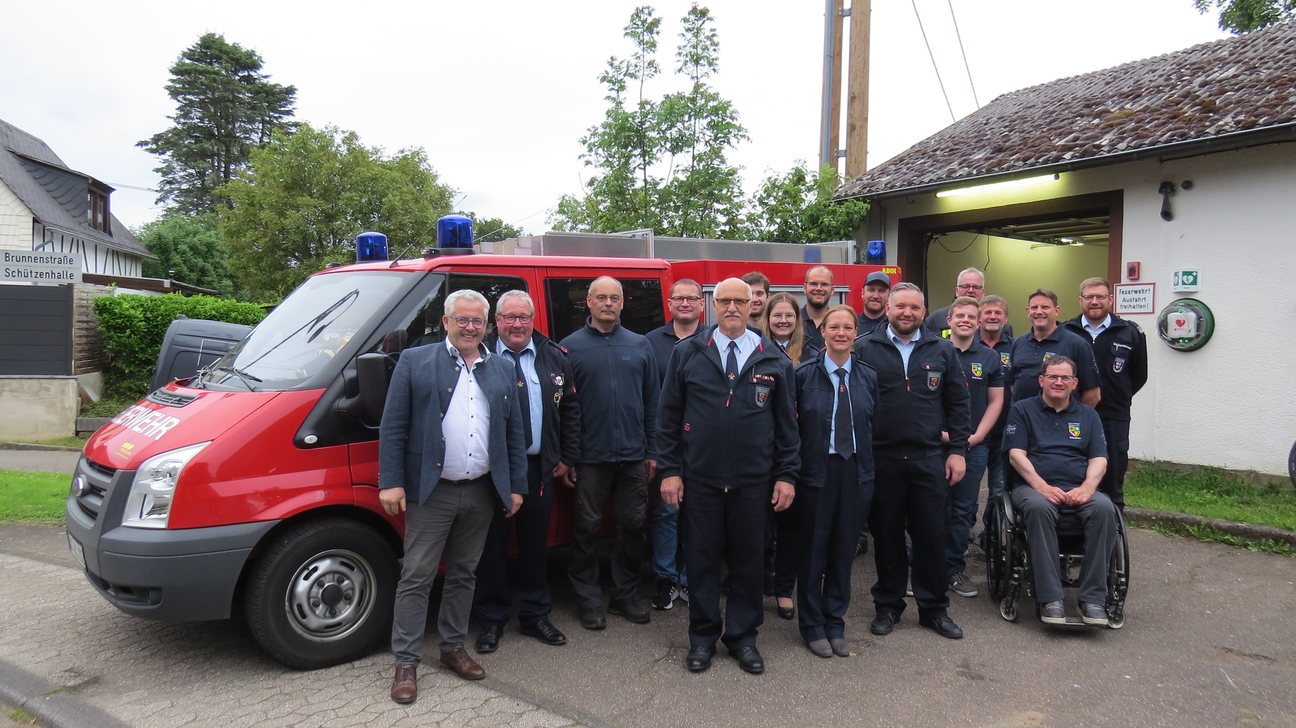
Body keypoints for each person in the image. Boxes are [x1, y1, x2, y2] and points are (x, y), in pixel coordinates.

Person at [380, 289, 528, 703]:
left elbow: (513, 432)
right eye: (461, 320)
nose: (469, 328)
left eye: (477, 321)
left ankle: (451, 648)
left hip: (481, 490)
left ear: (487, 325)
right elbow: (393, 426)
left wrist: (515, 485)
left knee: (465, 573)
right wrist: (390, 480)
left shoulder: (500, 367)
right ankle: (406, 663)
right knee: (417, 576)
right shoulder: (415, 361)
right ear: (445, 322)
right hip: (432, 492)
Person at [658, 278, 799, 675]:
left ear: (755, 305)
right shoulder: (688, 353)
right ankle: (702, 638)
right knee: (701, 562)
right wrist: (670, 471)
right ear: (713, 305)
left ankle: (743, 638)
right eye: (725, 301)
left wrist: (787, 476)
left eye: (742, 300)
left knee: (749, 563)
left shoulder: (773, 358)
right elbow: (667, 419)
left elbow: (788, 427)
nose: (733, 307)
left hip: (753, 483)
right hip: (700, 480)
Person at [854, 282, 971, 640]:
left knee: (930, 537)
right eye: (900, 306)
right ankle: (888, 606)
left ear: (924, 311)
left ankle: (933, 609)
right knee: (887, 537)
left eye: (914, 307)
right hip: (882, 458)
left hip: (928, 458)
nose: (907, 313)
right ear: (887, 308)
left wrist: (958, 450)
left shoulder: (942, 349)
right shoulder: (864, 348)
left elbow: (957, 403)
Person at [472, 290, 580, 655]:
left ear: (533, 320)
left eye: (523, 317)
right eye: (509, 317)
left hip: (539, 467)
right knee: (493, 546)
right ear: (497, 321)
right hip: (492, 469)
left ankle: (535, 615)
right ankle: (491, 619)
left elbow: (571, 409)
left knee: (536, 546)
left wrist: (566, 455)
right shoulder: (479, 356)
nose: (517, 324)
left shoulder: (553, 355)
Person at [560, 276, 660, 629]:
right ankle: (588, 600)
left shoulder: (640, 345)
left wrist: (652, 450)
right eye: (600, 297)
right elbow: (564, 409)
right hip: (590, 459)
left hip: (634, 456)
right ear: (588, 302)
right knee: (586, 530)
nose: (607, 303)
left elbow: (653, 402)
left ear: (622, 303)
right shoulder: (568, 348)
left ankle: (624, 596)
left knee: (633, 528)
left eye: (614, 298)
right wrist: (569, 455)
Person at [1005, 355, 1117, 626]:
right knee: (1039, 507)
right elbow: (1016, 455)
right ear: (1041, 380)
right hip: (1033, 487)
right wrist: (1042, 486)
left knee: (1104, 508)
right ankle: (1050, 598)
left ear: (1074, 383)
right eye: (1053, 377)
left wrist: (1088, 486)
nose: (1058, 382)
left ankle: (1092, 599)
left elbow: (1099, 458)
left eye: (1065, 377)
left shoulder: (1088, 415)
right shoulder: (1022, 410)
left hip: (1078, 487)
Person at [793, 305, 877, 657]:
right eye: (833, 327)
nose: (840, 333)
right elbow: (790, 429)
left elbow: (875, 426)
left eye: (847, 327)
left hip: (856, 473)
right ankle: (812, 625)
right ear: (822, 331)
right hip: (816, 471)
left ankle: (835, 621)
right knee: (814, 551)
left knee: (844, 551)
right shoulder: (802, 375)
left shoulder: (869, 376)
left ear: (856, 332)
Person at [644, 279, 704, 611]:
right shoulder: (650, 342)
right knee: (666, 512)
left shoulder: (714, 340)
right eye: (678, 298)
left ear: (701, 304)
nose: (685, 303)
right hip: (667, 443)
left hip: (704, 445)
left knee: (699, 515)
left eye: (691, 298)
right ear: (669, 304)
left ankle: (692, 578)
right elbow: (647, 396)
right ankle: (666, 579)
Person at [1062, 278, 1148, 511]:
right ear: (1081, 300)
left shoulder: (1130, 333)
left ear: (1110, 299)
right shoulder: (1066, 331)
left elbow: (1139, 376)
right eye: (1089, 297)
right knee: (1073, 471)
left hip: (1113, 417)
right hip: (1072, 415)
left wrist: (1117, 396)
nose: (1095, 302)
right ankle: (1075, 529)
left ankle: (1111, 539)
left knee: (1112, 476)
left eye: (1100, 296)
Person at [944, 297, 1004, 598]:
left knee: (963, 509)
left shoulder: (990, 358)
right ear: (949, 320)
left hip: (974, 446)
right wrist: (942, 435)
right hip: (936, 444)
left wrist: (978, 436)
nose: (965, 320)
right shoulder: (936, 351)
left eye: (971, 316)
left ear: (978, 323)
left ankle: (953, 569)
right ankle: (923, 568)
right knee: (928, 509)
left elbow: (996, 401)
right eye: (960, 315)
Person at [760, 291, 808, 621]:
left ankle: (783, 590)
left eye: (789, 316)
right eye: (776, 315)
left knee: (790, 527)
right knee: (759, 528)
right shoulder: (755, 352)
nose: (782, 320)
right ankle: (757, 583)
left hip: (798, 452)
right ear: (767, 318)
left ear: (797, 320)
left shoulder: (813, 353)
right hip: (761, 453)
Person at [1008, 289, 1101, 408]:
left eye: (1045, 307)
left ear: (1057, 311)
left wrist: (1072, 418)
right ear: (1028, 311)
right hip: (1023, 421)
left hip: (1060, 422)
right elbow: (1013, 386)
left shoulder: (1077, 344)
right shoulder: (1018, 343)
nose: (1039, 312)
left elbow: (1093, 395)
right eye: (1034, 307)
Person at [978, 294, 1014, 542]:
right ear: (980, 317)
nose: (992, 317)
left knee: (999, 489)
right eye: (988, 312)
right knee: (967, 491)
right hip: (973, 433)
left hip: (1005, 432)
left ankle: (990, 536)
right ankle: (962, 537)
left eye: (997, 313)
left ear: (1006, 318)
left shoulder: (1017, 347)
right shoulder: (967, 345)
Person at [925, 267, 1014, 339]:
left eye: (976, 287)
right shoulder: (936, 319)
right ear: (957, 290)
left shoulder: (998, 323)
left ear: (983, 292)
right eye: (965, 286)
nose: (970, 290)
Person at [802, 265, 834, 351]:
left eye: (824, 284)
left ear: (832, 290)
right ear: (805, 288)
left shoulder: (838, 324)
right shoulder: (792, 321)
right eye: (813, 284)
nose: (819, 288)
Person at [857, 271, 890, 338]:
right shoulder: (851, 325)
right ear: (863, 293)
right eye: (871, 290)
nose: (876, 296)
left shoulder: (893, 327)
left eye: (881, 291)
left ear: (889, 295)